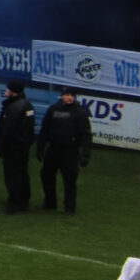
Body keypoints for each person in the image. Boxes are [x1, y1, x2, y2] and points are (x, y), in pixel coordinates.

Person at [39, 85, 94, 214]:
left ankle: (69, 207)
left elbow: (86, 135)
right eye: (66, 95)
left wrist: (85, 154)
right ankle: (50, 203)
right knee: (46, 175)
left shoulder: (80, 112)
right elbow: (45, 130)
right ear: (62, 96)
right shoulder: (53, 110)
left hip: (70, 151)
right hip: (53, 149)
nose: (69, 98)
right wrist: (40, 147)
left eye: (71, 96)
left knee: (69, 180)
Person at [0, 79, 36, 213]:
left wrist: (0, 146)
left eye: (8, 90)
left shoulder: (13, 108)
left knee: (12, 175)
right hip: (23, 147)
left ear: (13, 92)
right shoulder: (27, 105)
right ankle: (24, 201)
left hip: (13, 148)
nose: (6, 92)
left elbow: (7, 130)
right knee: (23, 174)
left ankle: (13, 203)